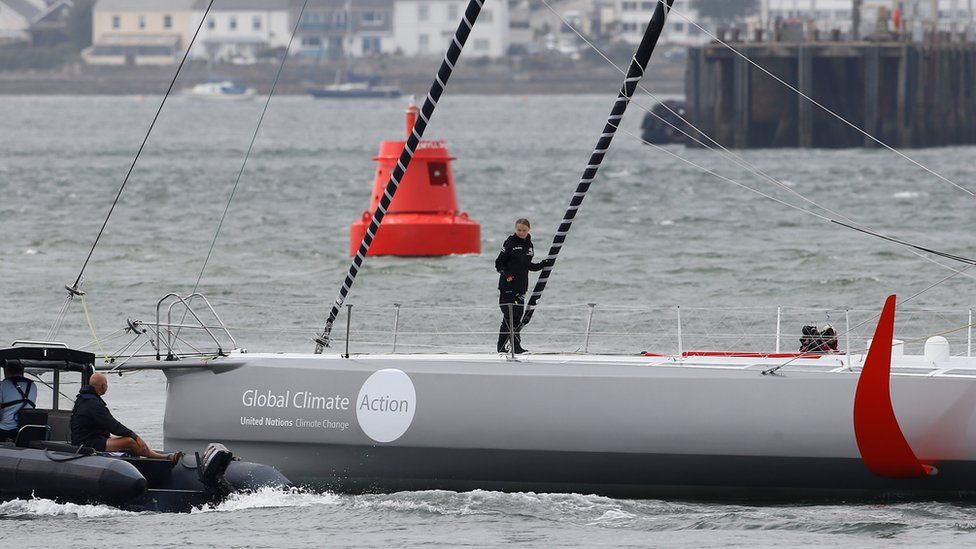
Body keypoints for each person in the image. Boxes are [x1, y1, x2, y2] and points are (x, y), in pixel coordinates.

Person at [70, 373, 179, 461]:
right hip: (88, 443)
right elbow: (113, 426)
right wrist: (136, 436)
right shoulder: (93, 404)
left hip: (85, 438)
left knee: (122, 439)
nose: (107, 387)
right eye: (106, 384)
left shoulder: (82, 399)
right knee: (129, 441)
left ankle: (148, 454)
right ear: (103, 386)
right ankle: (160, 458)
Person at [495, 218, 549, 354]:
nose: (521, 232)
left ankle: (502, 348)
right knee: (510, 316)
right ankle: (515, 347)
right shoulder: (510, 243)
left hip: (521, 287)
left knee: (516, 318)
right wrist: (506, 274)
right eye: (519, 230)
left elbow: (527, 265)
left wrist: (542, 264)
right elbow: (498, 263)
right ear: (515, 229)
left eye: (524, 230)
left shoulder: (529, 245)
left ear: (528, 230)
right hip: (507, 287)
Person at [0, 360, 37, 442]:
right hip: (27, 429)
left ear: (6, 370)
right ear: (23, 370)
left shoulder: (2, 385)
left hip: (5, 429)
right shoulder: (33, 385)